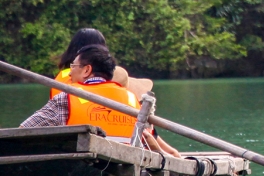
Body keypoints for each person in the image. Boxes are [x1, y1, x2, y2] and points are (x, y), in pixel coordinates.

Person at [23, 46, 180, 155]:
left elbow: (24, 132)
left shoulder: (67, 98)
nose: (69, 73)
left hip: (81, 169)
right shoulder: (133, 100)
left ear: (87, 70)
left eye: (73, 66)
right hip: (124, 171)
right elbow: (149, 145)